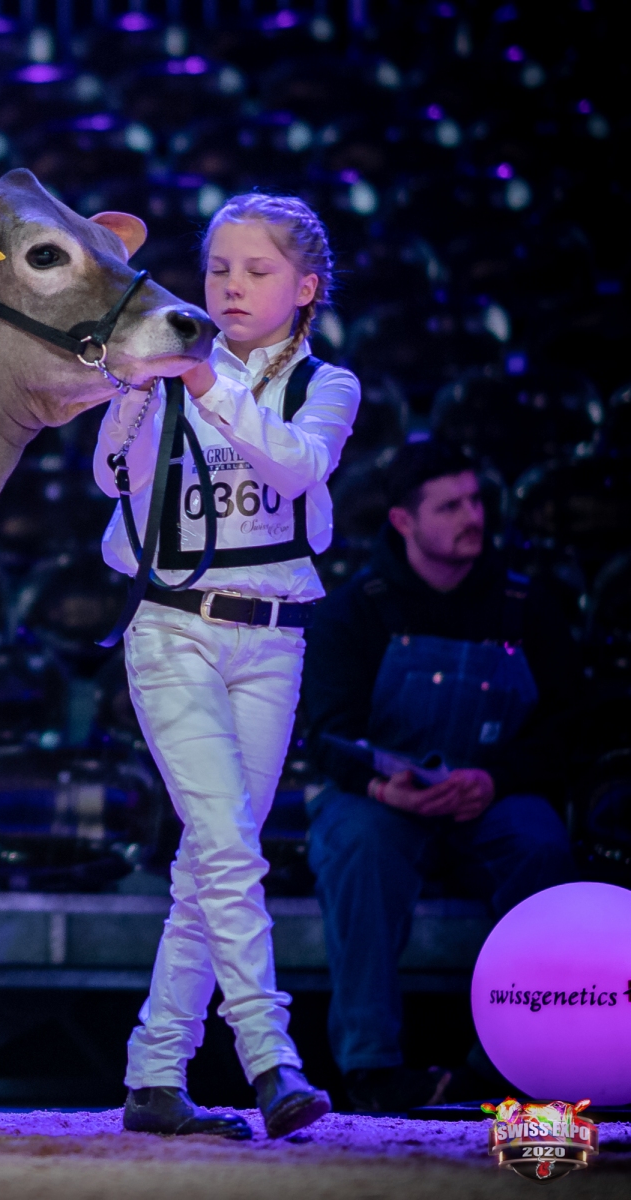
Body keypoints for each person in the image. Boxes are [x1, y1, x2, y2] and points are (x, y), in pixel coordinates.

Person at [93, 193, 357, 1140]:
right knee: (229, 848)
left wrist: (206, 385)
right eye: (217, 269)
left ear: (305, 287)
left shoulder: (329, 385)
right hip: (173, 631)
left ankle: (155, 1075)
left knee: (207, 864)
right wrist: (137, 388)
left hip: (274, 639)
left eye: (255, 270)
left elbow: (297, 468)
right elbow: (110, 477)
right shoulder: (170, 364)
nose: (231, 286)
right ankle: (271, 1060)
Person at [299, 439, 579, 1112]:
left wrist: (495, 779)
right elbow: (325, 733)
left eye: (475, 501)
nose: (472, 517)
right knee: (358, 845)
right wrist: (381, 786)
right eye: (450, 507)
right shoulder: (352, 611)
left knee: (543, 847)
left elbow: (570, 726)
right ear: (403, 521)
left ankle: (512, 1063)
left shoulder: (526, 605)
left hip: (493, 795)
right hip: (383, 801)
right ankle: (371, 1070)